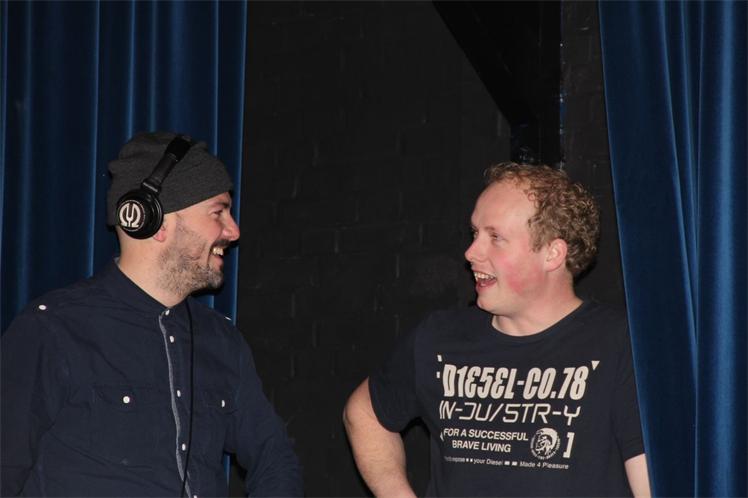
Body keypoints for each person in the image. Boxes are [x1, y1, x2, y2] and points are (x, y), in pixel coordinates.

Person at [1, 132, 303, 497]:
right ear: (154, 221)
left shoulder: (221, 340)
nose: (233, 231)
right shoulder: (53, 329)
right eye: (218, 212)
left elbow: (274, 455)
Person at [343, 162, 650, 497]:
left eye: (495, 238)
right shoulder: (440, 337)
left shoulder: (620, 345)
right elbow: (364, 413)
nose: (471, 252)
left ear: (552, 254)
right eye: (475, 233)